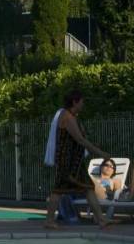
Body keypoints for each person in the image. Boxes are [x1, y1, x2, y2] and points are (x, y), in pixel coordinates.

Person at [43, 90, 111, 230]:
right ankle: (49, 221)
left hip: (75, 163)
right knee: (59, 190)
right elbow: (80, 139)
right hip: (67, 163)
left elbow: (80, 138)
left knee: (87, 188)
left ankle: (101, 219)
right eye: (81, 102)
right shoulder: (67, 117)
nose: (83, 104)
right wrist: (100, 153)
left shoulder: (71, 116)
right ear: (75, 102)